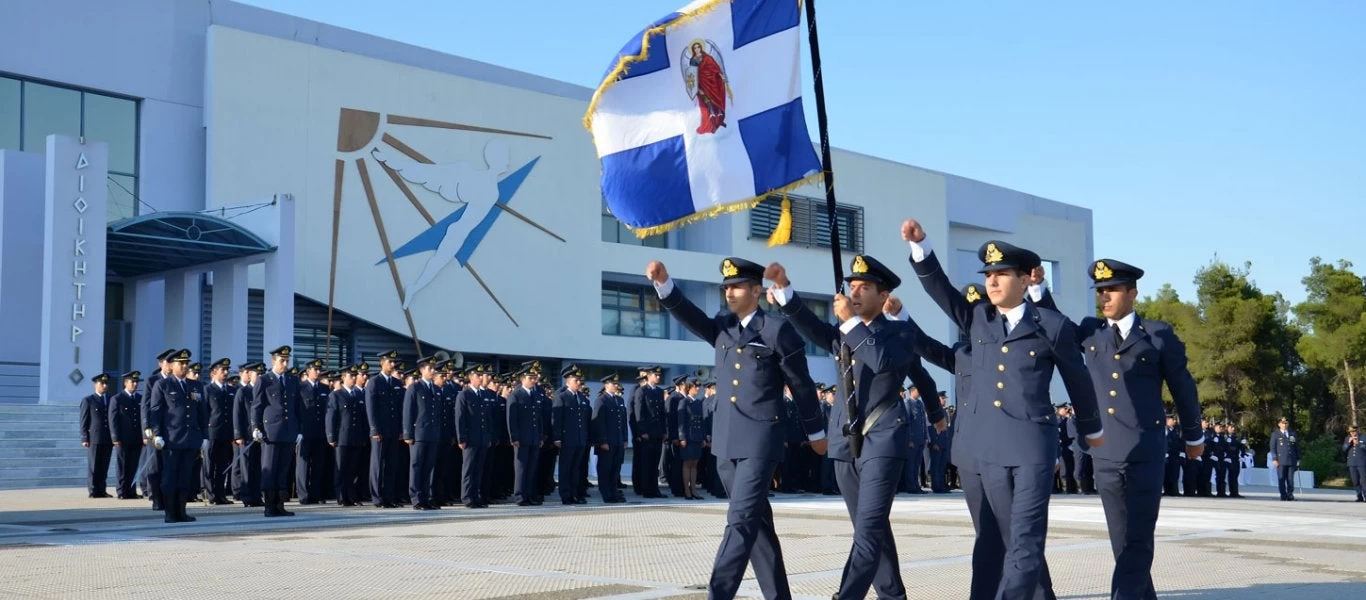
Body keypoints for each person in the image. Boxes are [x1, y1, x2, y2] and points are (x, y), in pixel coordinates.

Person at [902, 219, 1103, 600]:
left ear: (1025, 280)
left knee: (1025, 540)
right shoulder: (979, 319)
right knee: (1006, 536)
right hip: (989, 449)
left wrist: (1091, 429)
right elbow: (940, 290)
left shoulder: (1052, 325)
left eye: (1002, 274)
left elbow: (1078, 379)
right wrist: (920, 247)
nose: (992, 281)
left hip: (1031, 447)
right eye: (988, 275)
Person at [648, 256, 826, 600]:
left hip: (760, 442)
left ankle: (718, 594)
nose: (729, 293)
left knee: (740, 521)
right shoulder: (722, 327)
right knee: (757, 527)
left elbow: (802, 385)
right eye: (726, 288)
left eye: (737, 286)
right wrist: (664, 284)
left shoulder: (776, 330)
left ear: (756, 291)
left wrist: (816, 433)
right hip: (727, 442)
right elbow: (691, 316)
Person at [1056, 258, 1204, 599]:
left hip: (1144, 450)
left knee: (1138, 539)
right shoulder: (1090, 330)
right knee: (1121, 541)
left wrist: (1193, 434)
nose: (1104, 297)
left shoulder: (1157, 334)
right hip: (1105, 451)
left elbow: (1183, 387)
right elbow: (1054, 324)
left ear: (1133, 293)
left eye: (1112, 290)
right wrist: (1037, 288)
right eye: (1100, 291)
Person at [147, 349, 208, 523]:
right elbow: (156, 412)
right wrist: (157, 434)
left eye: (186, 363)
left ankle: (181, 511)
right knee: (169, 478)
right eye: (181, 363)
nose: (184, 366)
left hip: (190, 439)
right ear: (172, 365)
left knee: (185, 477)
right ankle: (170, 513)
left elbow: (202, 412)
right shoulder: (163, 385)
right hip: (171, 439)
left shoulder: (196, 385)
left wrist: (204, 436)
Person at [252, 345, 301, 517]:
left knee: (283, 469)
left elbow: (297, 406)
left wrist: (299, 430)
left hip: (288, 431)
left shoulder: (292, 380)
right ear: (274, 361)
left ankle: (280, 505)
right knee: (270, 469)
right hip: (270, 432)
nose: (285, 364)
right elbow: (257, 406)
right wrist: (255, 427)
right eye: (282, 361)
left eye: (287, 360)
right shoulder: (264, 380)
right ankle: (269, 506)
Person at [402, 356, 442, 510]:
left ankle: (426, 497)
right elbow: (408, 412)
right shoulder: (415, 388)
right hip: (418, 435)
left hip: (432, 434)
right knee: (417, 466)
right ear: (422, 370)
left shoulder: (436, 389)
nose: (433, 371)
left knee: (428, 467)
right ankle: (416, 498)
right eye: (430, 368)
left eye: (433, 368)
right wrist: (408, 434)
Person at [552, 364, 592, 505]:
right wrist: (557, 438)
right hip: (567, 439)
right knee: (566, 468)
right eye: (576, 380)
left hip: (580, 439)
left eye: (580, 380)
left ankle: (575, 494)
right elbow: (557, 420)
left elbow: (585, 420)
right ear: (568, 381)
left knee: (576, 469)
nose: (579, 383)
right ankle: (566, 495)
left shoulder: (582, 398)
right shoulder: (562, 397)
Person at [591, 373, 629, 503]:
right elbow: (598, 423)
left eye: (617, 383)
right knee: (605, 469)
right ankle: (606, 494)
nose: (616, 386)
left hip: (618, 441)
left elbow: (623, 422)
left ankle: (614, 492)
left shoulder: (619, 400)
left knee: (615, 469)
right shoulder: (601, 400)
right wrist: (602, 441)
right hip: (607, 442)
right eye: (614, 383)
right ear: (606, 385)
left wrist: (625, 439)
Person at [202, 359, 236, 505]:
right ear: (213, 373)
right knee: (210, 465)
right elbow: (204, 413)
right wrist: (204, 433)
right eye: (223, 370)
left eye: (227, 370)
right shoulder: (208, 390)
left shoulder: (231, 390)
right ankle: (211, 494)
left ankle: (220, 494)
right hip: (212, 433)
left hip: (226, 433)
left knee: (223, 465)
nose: (226, 373)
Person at [109, 371, 144, 500]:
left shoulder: (140, 399)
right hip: (123, 439)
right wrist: (115, 437)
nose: (135, 384)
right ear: (125, 383)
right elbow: (113, 420)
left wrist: (144, 436)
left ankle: (131, 490)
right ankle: (122, 491)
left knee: (133, 465)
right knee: (122, 465)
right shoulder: (117, 399)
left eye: (136, 382)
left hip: (136, 438)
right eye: (132, 382)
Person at [79, 373, 114, 498]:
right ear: (95, 385)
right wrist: (84, 437)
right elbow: (84, 420)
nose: (104, 386)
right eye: (102, 383)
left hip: (108, 438)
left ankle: (102, 489)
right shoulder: (88, 400)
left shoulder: (111, 399)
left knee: (104, 466)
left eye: (106, 383)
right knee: (94, 465)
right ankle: (93, 490)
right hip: (94, 437)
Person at [679, 380, 709, 500]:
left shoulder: (698, 402)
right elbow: (681, 422)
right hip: (688, 437)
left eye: (698, 387)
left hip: (697, 437)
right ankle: (687, 490)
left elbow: (701, 421)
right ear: (688, 388)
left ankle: (694, 490)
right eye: (695, 387)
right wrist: (682, 437)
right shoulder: (684, 402)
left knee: (695, 463)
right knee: (687, 463)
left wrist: (703, 437)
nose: (697, 389)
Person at [1270, 417, 1300, 501]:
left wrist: (1298, 458)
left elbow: (1296, 446)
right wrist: (1274, 459)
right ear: (1279, 424)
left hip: (1291, 460)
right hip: (1281, 460)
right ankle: (1283, 495)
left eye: (1286, 423)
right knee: (1282, 479)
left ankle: (1290, 495)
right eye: (1283, 423)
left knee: (1290, 479)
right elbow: (1273, 448)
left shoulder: (1292, 434)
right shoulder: (1275, 434)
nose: (1285, 425)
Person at [1345, 426, 1364, 502]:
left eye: (1353, 431)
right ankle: (1359, 496)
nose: (1352, 433)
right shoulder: (1347, 438)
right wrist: (1348, 443)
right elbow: (1344, 449)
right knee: (1355, 481)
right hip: (1352, 463)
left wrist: (1358, 443)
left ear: (1357, 431)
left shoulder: (1363, 437)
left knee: (1364, 481)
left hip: (1362, 463)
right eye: (1350, 432)